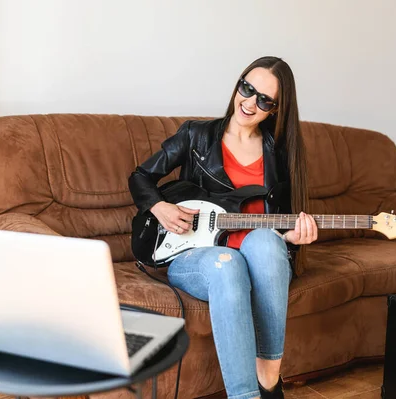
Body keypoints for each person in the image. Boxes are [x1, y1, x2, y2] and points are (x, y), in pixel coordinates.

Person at [128, 56, 318, 399]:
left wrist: (292, 237)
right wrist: (160, 207)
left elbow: (282, 220)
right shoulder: (196, 135)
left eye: (264, 100)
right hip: (196, 255)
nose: (250, 102)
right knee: (227, 264)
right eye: (247, 88)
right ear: (238, 84)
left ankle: (269, 373)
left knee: (264, 242)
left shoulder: (281, 154)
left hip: (262, 255)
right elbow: (141, 176)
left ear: (275, 109)